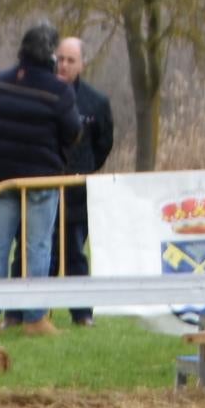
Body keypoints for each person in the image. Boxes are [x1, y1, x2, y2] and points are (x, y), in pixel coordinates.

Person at [0, 22, 81, 334]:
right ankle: (34, 318)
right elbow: (73, 131)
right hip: (41, 179)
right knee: (38, 246)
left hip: (3, 181)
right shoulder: (59, 91)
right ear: (51, 56)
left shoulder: (0, 84)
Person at [54, 34, 115, 326]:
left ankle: (81, 314)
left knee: (75, 254)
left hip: (79, 194)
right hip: (45, 188)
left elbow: (103, 144)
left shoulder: (96, 102)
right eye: (60, 59)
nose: (63, 65)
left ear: (82, 64)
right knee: (44, 254)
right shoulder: (45, 95)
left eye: (70, 60)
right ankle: (33, 313)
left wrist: (86, 169)